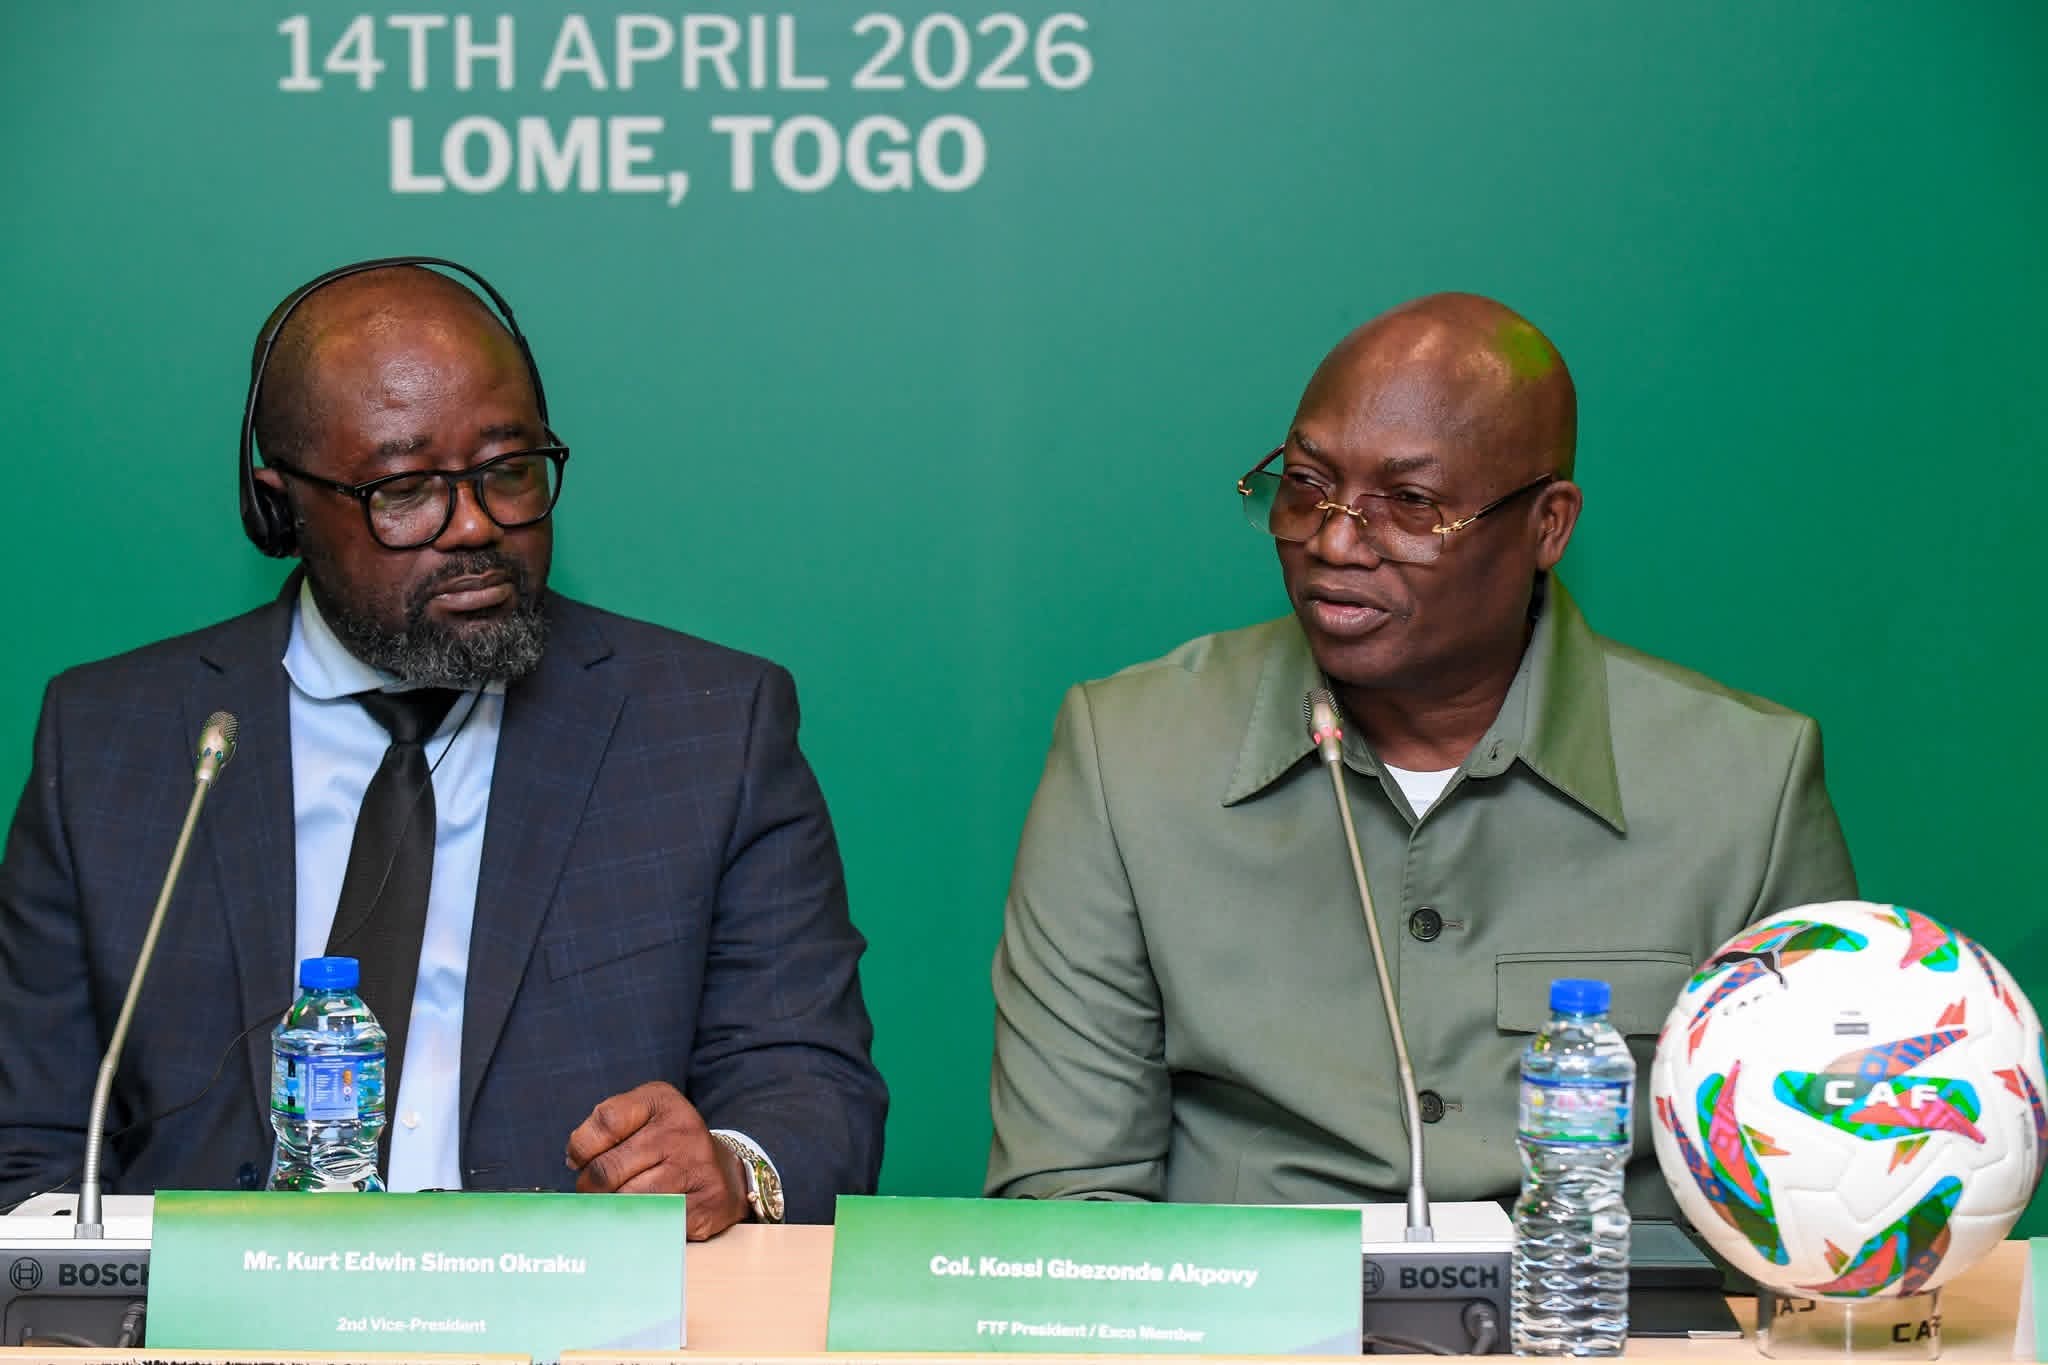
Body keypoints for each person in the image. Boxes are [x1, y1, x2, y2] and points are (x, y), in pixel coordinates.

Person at [0, 261, 886, 1236]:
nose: (474, 525)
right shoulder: (111, 744)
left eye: (509, 470)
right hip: (206, 1310)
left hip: (572, 1309)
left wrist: (729, 1164)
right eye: (405, 490)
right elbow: (28, 1142)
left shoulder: (707, 727)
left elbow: (814, 1090)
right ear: (279, 508)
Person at [986, 292, 1855, 1214]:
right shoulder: (1127, 755)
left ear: (1548, 526)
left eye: (1409, 504)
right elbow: (1069, 1200)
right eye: (1306, 485)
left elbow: (1816, 1196)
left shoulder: (1749, 788)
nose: (1334, 541)